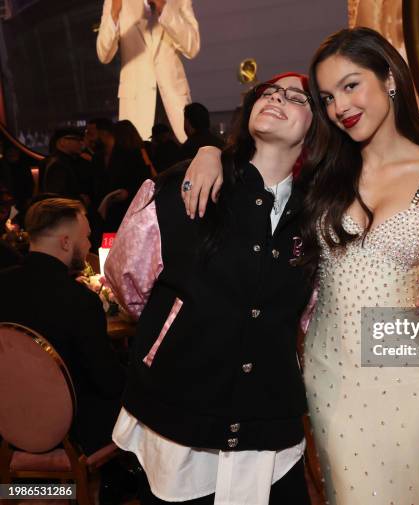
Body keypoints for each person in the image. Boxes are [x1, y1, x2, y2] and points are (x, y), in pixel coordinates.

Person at [178, 27, 419, 505]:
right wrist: (209, 150)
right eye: (329, 97)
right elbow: (257, 169)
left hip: (412, 378)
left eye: (351, 86)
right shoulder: (322, 174)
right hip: (329, 375)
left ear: (389, 79)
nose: (340, 107)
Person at [104, 73, 316, 505]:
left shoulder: (316, 210)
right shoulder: (183, 185)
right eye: (269, 92)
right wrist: (178, 325)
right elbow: (129, 282)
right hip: (181, 410)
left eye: (296, 97)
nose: (277, 98)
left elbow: (312, 311)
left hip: (267, 418)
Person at [0, 198, 125, 455]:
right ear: (66, 242)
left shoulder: (3, 284)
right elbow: (108, 382)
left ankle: (22, 490)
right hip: (72, 434)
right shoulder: (79, 300)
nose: (89, 244)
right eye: (87, 237)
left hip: (9, 422)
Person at [96, 0, 200, 143]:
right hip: (137, 103)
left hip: (174, 101)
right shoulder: (117, 2)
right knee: (139, 159)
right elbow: (104, 54)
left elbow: (192, 47)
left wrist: (163, 8)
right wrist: (114, 13)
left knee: (185, 159)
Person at [98, 120, 151, 231]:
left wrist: (128, 192)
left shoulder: (132, 153)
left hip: (125, 209)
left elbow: (144, 178)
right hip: (123, 209)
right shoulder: (100, 155)